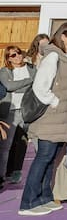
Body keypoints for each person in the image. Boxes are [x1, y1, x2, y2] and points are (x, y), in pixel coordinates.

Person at [19, 22, 67, 216]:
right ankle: (28, 203)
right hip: (51, 118)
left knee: (50, 159)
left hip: (61, 119)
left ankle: (44, 198)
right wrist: (55, 102)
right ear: (63, 36)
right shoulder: (54, 56)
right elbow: (40, 86)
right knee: (43, 158)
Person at [1, 45, 34, 184]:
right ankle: (2, 175)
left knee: (23, 143)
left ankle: (17, 172)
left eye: (19, 53)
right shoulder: (4, 71)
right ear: (8, 58)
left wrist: (17, 86)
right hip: (11, 112)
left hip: (27, 110)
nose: (17, 56)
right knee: (5, 145)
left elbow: (35, 85)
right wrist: (29, 81)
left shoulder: (31, 69)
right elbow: (9, 86)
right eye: (13, 55)